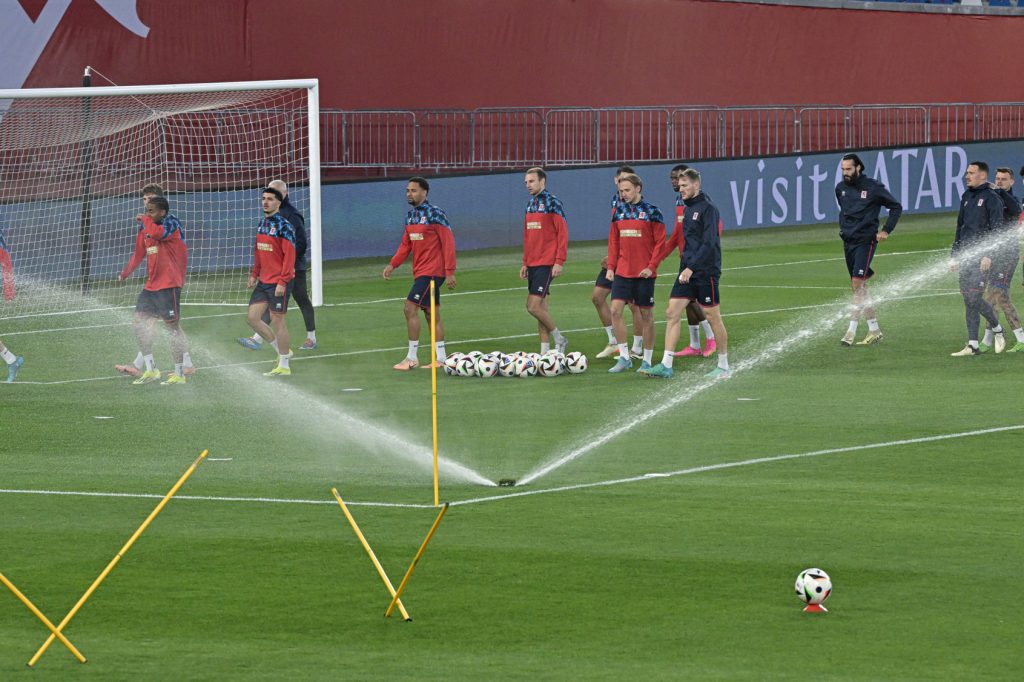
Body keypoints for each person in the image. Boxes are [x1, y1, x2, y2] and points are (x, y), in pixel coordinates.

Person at [642, 168, 731, 379]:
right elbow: (687, 242)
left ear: (696, 185)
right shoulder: (687, 209)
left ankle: (724, 365)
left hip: (705, 271)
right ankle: (666, 364)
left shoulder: (708, 209)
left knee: (712, 316)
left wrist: (692, 267)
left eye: (684, 185)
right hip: (687, 270)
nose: (680, 189)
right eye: (679, 186)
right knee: (672, 312)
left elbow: (709, 243)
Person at [116, 184, 195, 378]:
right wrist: (125, 273)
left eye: (150, 200)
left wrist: (145, 219)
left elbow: (158, 234)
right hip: (152, 284)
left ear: (160, 204)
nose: (146, 203)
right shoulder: (146, 225)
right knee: (141, 322)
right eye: (144, 199)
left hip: (169, 283)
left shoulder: (170, 222)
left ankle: (183, 367)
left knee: (172, 327)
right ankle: (150, 368)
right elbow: (139, 253)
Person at [382, 177, 457, 370]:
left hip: (433, 272)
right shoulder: (410, 216)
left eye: (413, 190)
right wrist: (393, 264)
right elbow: (405, 245)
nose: (409, 193)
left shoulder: (436, 214)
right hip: (421, 272)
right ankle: (441, 359)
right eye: (407, 190)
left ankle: (412, 358)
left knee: (409, 308)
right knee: (432, 314)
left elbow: (448, 243)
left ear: (425, 192)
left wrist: (450, 272)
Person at [237, 179, 318, 351]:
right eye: (267, 194)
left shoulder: (292, 215)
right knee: (272, 306)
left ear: (283, 195)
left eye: (274, 194)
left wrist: (290, 265)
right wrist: (256, 272)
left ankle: (311, 337)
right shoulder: (267, 219)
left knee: (301, 299)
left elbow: (301, 243)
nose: (268, 199)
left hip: (294, 267)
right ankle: (259, 338)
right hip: (275, 270)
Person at [835, 153, 903, 346]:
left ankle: (850, 331)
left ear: (859, 168)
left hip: (866, 241)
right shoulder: (840, 189)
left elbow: (896, 207)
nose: (845, 173)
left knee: (857, 283)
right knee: (860, 286)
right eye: (843, 169)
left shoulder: (873, 187)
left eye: (848, 169)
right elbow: (845, 212)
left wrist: (886, 230)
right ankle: (874, 329)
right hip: (848, 241)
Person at [605, 172, 664, 373]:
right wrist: (611, 267)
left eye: (627, 190)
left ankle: (646, 359)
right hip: (622, 270)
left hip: (644, 274)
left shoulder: (652, 212)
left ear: (638, 189)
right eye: (621, 191)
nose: (624, 194)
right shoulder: (618, 212)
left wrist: (652, 266)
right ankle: (624, 357)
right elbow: (613, 242)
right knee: (615, 310)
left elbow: (660, 244)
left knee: (646, 314)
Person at [660, 163, 717, 358]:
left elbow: (711, 237)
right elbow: (678, 234)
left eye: (679, 179)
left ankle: (711, 340)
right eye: (673, 179)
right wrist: (660, 256)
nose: (675, 183)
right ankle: (694, 344)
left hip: (699, 263)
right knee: (683, 306)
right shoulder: (682, 203)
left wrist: (694, 263)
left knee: (704, 309)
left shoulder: (704, 205)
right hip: (686, 260)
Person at [949, 161, 1006, 356]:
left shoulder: (992, 198)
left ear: (982, 176)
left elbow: (998, 230)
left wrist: (988, 254)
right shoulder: (966, 196)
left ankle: (998, 328)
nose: (967, 176)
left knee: (974, 296)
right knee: (968, 299)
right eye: (967, 173)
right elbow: (960, 228)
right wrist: (954, 256)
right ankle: (973, 344)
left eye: (971, 173)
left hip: (982, 258)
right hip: (965, 255)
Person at [594, 165, 646, 360]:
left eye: (627, 183)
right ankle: (613, 341)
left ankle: (637, 348)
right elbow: (616, 234)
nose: (622, 187)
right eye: (620, 181)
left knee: (634, 306)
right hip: (616, 261)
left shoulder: (643, 209)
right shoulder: (616, 201)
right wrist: (611, 258)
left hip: (632, 262)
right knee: (598, 297)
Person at [246, 187, 296, 376]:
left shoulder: (284, 226)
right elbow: (258, 251)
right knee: (252, 318)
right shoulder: (262, 224)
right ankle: (283, 352)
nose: (265, 202)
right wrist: (254, 273)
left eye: (270, 199)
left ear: (279, 203)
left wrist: (283, 282)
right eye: (263, 199)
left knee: (277, 321)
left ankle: (284, 366)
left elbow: (289, 257)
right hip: (264, 281)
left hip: (279, 282)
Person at [520, 167, 569, 354]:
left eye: (531, 181)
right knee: (541, 308)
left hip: (546, 262)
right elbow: (527, 236)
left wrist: (559, 261)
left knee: (532, 306)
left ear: (542, 181)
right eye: (526, 182)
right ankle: (544, 351)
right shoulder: (530, 205)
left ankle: (560, 338)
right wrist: (525, 262)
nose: (528, 185)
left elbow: (562, 233)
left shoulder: (552, 203)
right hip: (532, 263)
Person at [981, 167, 1024, 352]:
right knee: (995, 297)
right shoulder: (993, 200)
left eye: (1004, 179)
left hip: (1008, 255)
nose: (999, 182)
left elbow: (1015, 210)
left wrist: (999, 191)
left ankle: (989, 340)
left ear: (1012, 182)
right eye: (997, 179)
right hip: (994, 256)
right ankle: (1016, 339)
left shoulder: (1013, 200)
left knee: (996, 296)